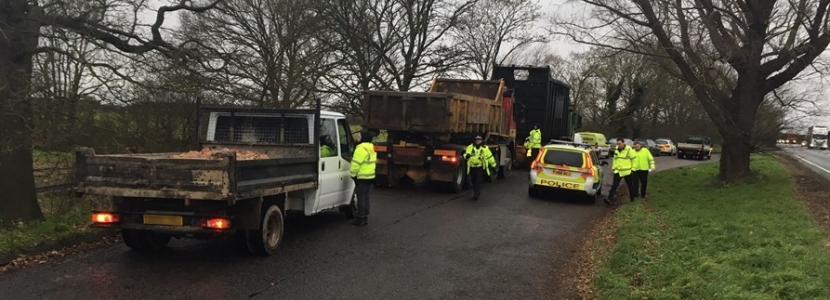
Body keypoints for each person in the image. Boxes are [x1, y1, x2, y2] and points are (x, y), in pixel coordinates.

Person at [350, 130, 377, 226]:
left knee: (360, 197)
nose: (356, 138)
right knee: (366, 196)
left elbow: (355, 164)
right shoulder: (370, 148)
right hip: (370, 176)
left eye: (358, 136)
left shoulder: (360, 149)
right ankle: (365, 216)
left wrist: (352, 175)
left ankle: (360, 217)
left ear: (363, 138)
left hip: (362, 177)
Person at [604, 138, 638, 205]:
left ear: (623, 143)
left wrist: (633, 169)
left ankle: (632, 199)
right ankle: (609, 199)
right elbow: (615, 159)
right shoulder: (617, 150)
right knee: (614, 185)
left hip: (627, 171)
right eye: (617, 144)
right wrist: (614, 167)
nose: (618, 145)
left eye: (619, 143)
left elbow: (634, 160)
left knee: (630, 186)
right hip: (618, 171)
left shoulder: (629, 150)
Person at [464, 135, 496, 200]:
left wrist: (494, 166)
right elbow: (465, 154)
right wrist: (466, 156)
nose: (478, 141)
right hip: (472, 167)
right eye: (477, 140)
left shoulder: (485, 148)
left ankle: (476, 194)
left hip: (480, 167)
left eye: (479, 140)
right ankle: (475, 192)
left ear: (481, 141)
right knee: (473, 180)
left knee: (478, 180)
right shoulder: (470, 147)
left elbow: (490, 157)